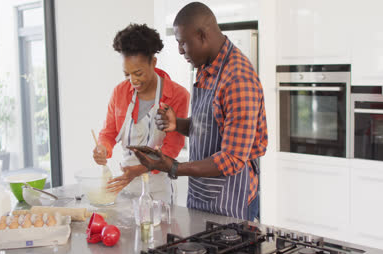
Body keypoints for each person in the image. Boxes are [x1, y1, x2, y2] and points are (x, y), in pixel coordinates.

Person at [129, 2, 268, 221]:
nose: (180, 50)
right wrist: (179, 124)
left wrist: (174, 167)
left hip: (232, 201)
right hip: (203, 195)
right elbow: (213, 124)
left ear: (202, 35)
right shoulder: (206, 67)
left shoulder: (238, 79)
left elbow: (232, 159)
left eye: (182, 42)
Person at [93, 24, 190, 204]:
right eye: (127, 74)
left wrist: (139, 169)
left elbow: (172, 147)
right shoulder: (120, 92)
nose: (133, 80)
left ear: (153, 63)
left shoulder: (177, 95)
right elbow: (109, 133)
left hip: (159, 186)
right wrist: (103, 148)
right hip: (126, 184)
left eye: (138, 73)